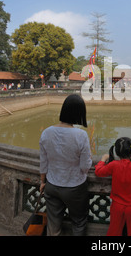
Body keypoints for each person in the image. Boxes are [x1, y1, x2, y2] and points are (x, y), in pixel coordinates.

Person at [39, 94, 92, 236]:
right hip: (74, 187)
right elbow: (85, 167)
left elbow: (43, 163)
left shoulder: (46, 132)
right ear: (79, 114)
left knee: (53, 223)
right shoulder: (80, 135)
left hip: (51, 185)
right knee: (79, 222)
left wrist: (43, 182)